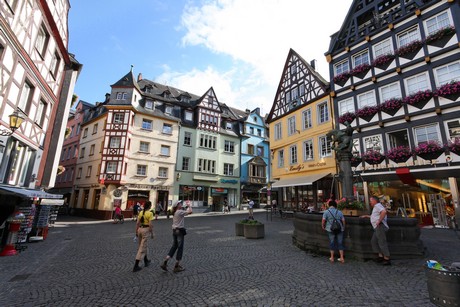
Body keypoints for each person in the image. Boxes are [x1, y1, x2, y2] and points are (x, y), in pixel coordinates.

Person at [160, 200, 192, 273]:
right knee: (180, 248)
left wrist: (186, 207)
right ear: (177, 205)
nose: (181, 204)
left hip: (174, 231)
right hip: (179, 231)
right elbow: (190, 211)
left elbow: (186, 212)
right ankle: (177, 266)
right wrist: (189, 205)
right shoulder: (179, 212)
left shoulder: (175, 212)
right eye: (180, 203)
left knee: (174, 246)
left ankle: (165, 261)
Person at [361, 196, 391, 265]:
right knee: (374, 241)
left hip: (380, 226)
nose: (370, 202)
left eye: (371, 200)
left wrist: (379, 221)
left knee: (382, 242)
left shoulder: (377, 206)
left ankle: (386, 258)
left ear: (375, 201)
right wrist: (366, 216)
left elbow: (384, 212)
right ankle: (380, 256)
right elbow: (374, 216)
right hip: (377, 227)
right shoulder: (376, 207)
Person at [133, 201, 154, 272]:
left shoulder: (141, 212)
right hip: (145, 230)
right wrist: (152, 233)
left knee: (142, 245)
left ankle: (146, 260)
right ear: (149, 206)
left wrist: (136, 231)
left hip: (139, 230)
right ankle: (136, 265)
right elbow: (150, 225)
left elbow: (137, 223)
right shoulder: (150, 213)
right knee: (142, 247)